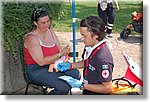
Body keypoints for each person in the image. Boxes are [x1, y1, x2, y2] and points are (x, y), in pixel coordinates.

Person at [23, 7, 80, 95]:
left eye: (48, 21)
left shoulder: (50, 31)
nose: (47, 25)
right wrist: (61, 54)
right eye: (43, 22)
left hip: (52, 65)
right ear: (35, 23)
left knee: (75, 74)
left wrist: (64, 54)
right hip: (36, 69)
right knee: (63, 87)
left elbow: (58, 49)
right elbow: (41, 62)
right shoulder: (31, 38)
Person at [58, 16, 114, 95]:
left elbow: (107, 88)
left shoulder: (103, 59)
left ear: (95, 35)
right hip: (88, 90)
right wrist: (70, 65)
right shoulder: (90, 46)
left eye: (84, 36)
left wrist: (83, 85)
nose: (81, 39)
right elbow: (87, 62)